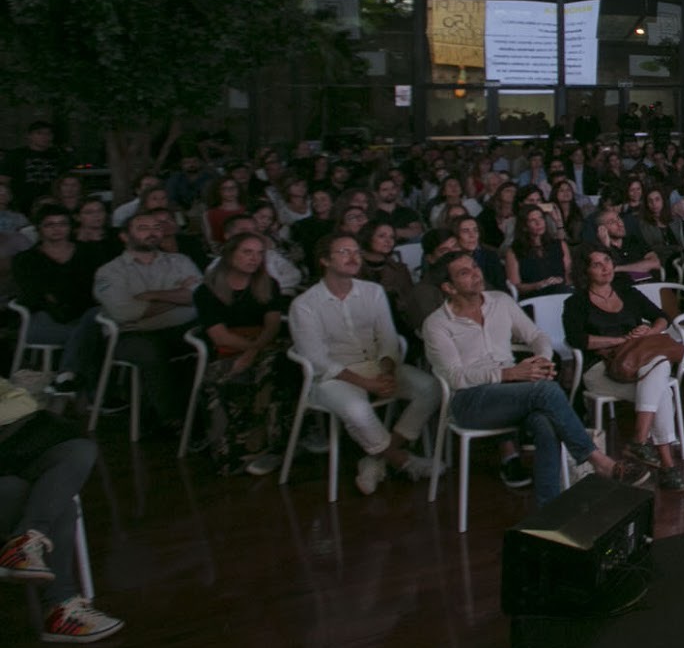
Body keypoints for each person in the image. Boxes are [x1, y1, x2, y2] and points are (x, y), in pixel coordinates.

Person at [421, 253, 650, 503]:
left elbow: (537, 336)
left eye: (475, 266)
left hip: (514, 391)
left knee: (546, 422)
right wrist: (508, 373)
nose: (476, 273)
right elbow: (455, 377)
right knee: (546, 390)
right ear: (448, 287)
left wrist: (541, 359)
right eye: (464, 273)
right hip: (470, 400)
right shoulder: (436, 324)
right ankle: (599, 461)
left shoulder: (500, 301)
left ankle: (547, 510)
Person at [286, 234, 439, 496]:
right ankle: (401, 460)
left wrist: (387, 373)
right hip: (334, 376)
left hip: (377, 366)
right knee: (357, 410)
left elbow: (388, 338)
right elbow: (318, 360)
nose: (353, 257)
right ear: (324, 260)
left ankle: (377, 458)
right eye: (344, 251)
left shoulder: (373, 291)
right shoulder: (305, 304)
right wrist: (368, 383)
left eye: (356, 251)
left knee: (431, 387)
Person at [562, 249, 684, 492]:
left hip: (638, 363)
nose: (605, 267)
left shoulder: (626, 291)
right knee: (660, 386)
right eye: (596, 264)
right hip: (599, 369)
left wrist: (647, 332)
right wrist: (619, 340)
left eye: (607, 260)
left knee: (657, 373)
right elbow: (577, 339)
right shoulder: (576, 302)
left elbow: (661, 317)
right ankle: (666, 465)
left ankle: (640, 442)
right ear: (585, 271)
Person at [0, 416, 122, 643]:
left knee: (81, 450)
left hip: (13, 443)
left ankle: (24, 543)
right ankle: (60, 607)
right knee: (59, 507)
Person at [90, 211, 204, 430]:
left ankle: (208, 413)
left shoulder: (180, 261)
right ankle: (171, 420)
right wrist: (179, 296)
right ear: (125, 236)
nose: (152, 233)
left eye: (157, 228)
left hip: (184, 329)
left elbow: (199, 296)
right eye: (143, 228)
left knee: (216, 336)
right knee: (151, 349)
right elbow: (126, 312)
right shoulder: (110, 271)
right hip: (132, 334)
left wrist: (152, 295)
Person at [191, 233, 288, 476]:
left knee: (269, 369)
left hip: (266, 347)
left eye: (259, 253)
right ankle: (230, 453)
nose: (254, 258)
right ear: (230, 254)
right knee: (216, 383)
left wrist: (254, 351)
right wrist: (250, 350)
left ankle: (266, 447)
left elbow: (273, 326)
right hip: (229, 351)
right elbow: (220, 336)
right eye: (247, 252)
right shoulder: (206, 291)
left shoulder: (269, 284)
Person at [12, 208, 102, 394]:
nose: (57, 229)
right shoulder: (26, 259)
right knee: (93, 335)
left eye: (62, 224)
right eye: (50, 224)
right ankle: (97, 398)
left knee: (92, 322)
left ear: (70, 227)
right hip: (46, 318)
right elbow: (35, 295)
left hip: (85, 316)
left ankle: (66, 377)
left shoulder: (89, 253)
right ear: (39, 228)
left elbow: (96, 289)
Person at [505, 204, 572, 299]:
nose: (539, 223)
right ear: (524, 226)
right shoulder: (514, 251)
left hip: (561, 291)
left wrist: (562, 281)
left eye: (541, 218)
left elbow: (569, 275)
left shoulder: (559, 245)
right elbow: (516, 286)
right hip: (534, 297)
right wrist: (538, 285)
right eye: (533, 220)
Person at [581, 206, 662, 283]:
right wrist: (606, 246)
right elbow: (606, 274)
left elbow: (655, 263)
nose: (620, 224)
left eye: (619, 218)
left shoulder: (633, 240)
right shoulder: (596, 249)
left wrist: (617, 268)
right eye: (612, 222)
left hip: (649, 285)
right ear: (602, 229)